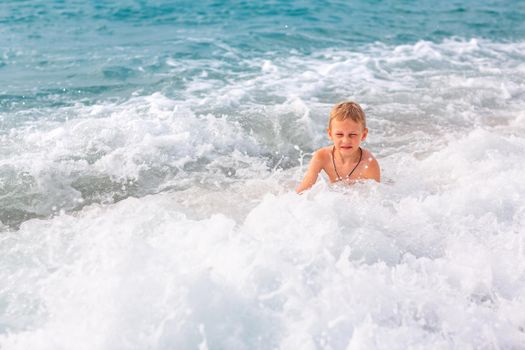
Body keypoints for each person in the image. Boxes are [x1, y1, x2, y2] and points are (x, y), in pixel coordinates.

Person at [296, 101, 380, 193]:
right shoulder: (321, 157)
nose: (346, 140)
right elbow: (304, 189)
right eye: (339, 134)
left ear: (363, 135)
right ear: (330, 134)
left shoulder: (369, 165)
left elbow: (376, 199)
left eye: (352, 134)